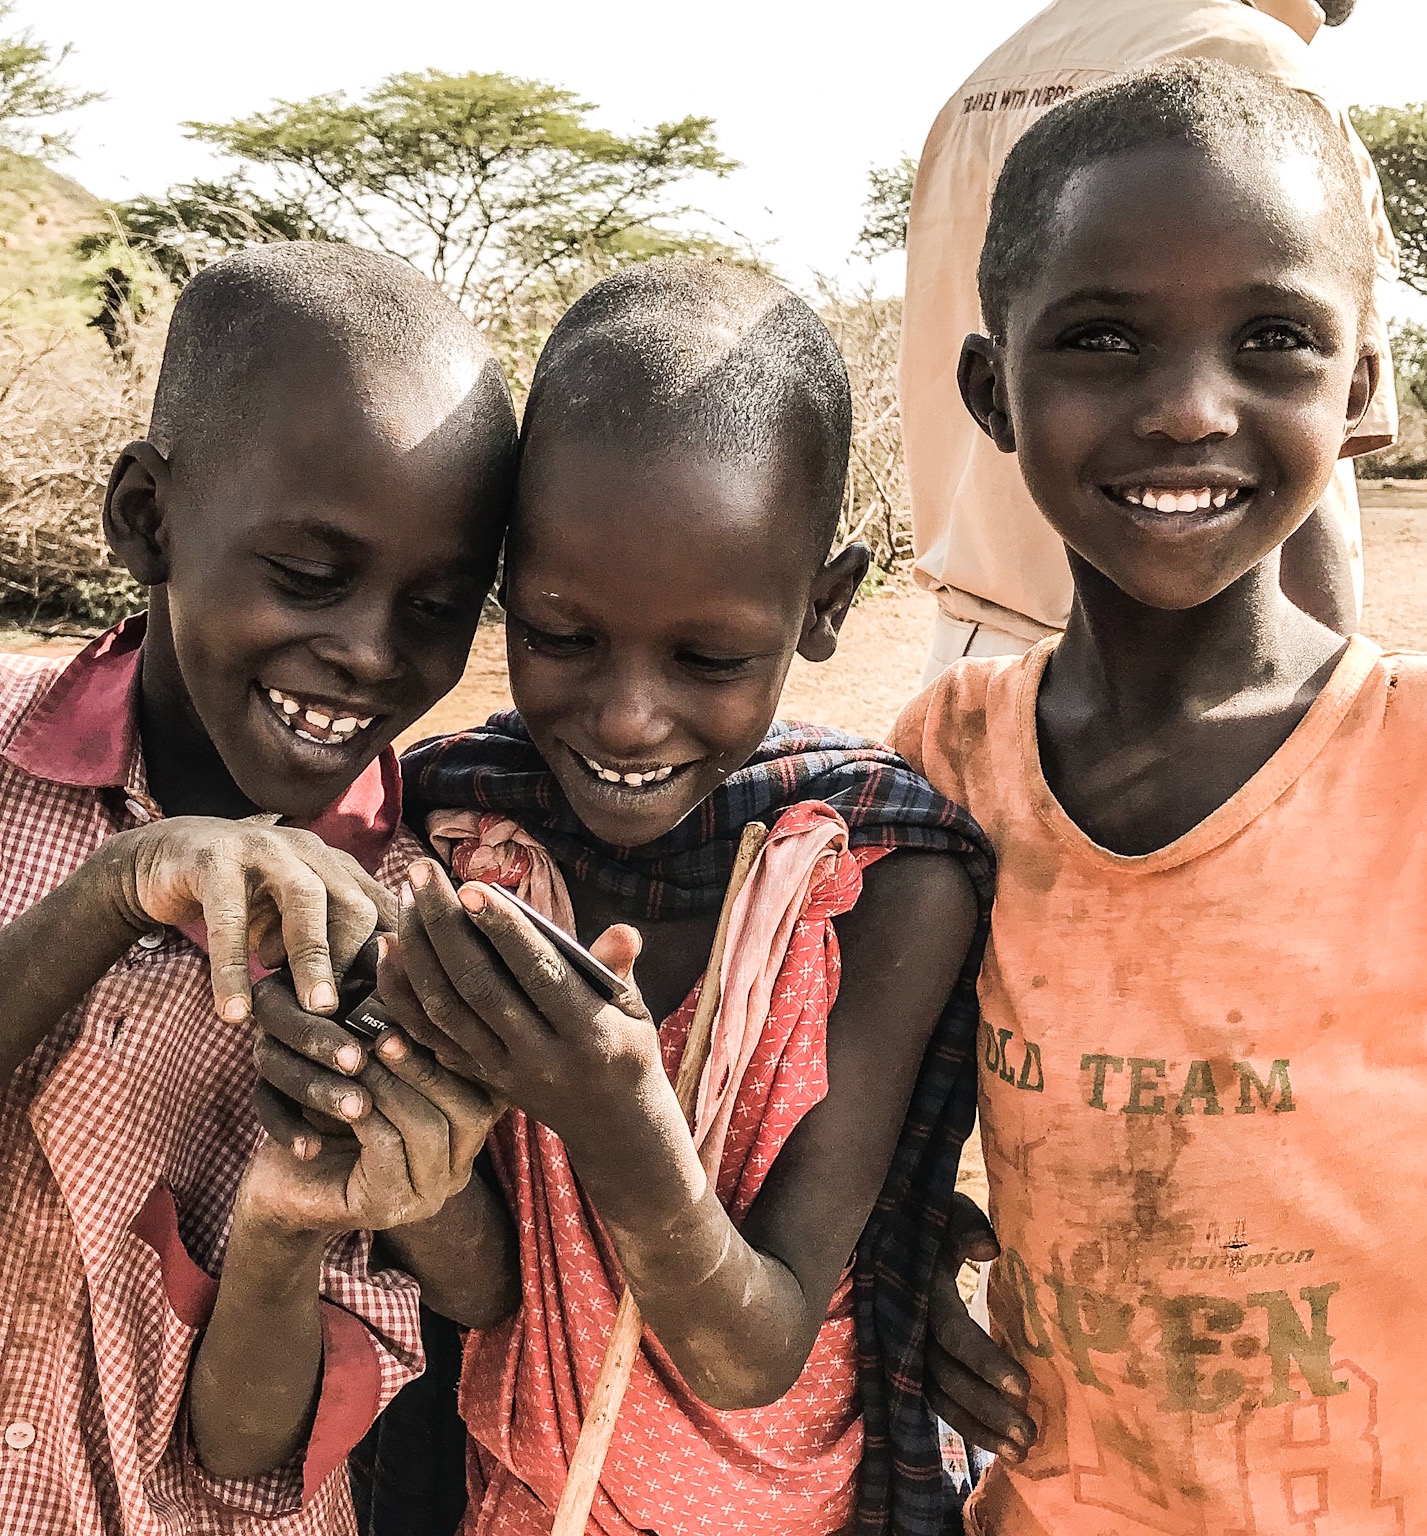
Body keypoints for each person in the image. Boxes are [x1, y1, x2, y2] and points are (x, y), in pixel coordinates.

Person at [892, 61, 1427, 1535]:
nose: (1188, 409)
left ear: (1358, 391)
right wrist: (903, 1271)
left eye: (1273, 339)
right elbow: (892, 1144)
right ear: (994, 391)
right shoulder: (950, 767)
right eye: (1100, 339)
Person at [0, 243, 522, 1536]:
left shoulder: (406, 922)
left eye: (437, 605)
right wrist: (118, 888)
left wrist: (293, 1220)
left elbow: (249, 1452)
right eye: (308, 574)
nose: (368, 650)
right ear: (146, 517)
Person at [233, 259, 996, 1536]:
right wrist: (384, 1127)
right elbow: (480, 1293)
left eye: (707, 657)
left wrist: (611, 1109)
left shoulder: (882, 878)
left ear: (823, 606)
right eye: (560, 635)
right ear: (505, 590)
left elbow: (754, 1351)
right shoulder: (449, 834)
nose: (627, 716)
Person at [901, 0, 1398, 684]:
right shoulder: (1257, 63)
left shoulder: (985, 82)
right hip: (1194, 678)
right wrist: (1329, 705)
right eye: (1102, 340)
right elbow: (1310, 440)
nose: (1194, 412)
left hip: (972, 646)